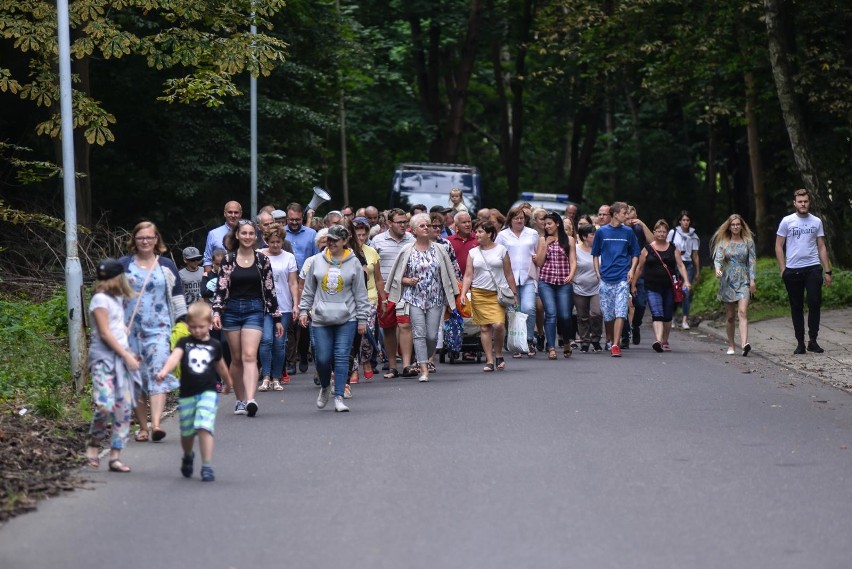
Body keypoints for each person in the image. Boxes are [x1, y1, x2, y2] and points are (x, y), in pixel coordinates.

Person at [120, 221, 187, 443]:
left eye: (150, 237)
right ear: (134, 240)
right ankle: (142, 427)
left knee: (159, 371)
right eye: (141, 238)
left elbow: (177, 296)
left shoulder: (166, 265)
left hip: (160, 329)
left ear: (157, 239)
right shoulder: (123, 265)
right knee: (137, 378)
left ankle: (156, 424)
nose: (146, 241)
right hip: (131, 331)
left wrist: (183, 323)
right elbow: (110, 297)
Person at [212, 220, 283, 417]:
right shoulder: (228, 259)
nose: (247, 237)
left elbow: (270, 290)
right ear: (237, 235)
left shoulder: (262, 260)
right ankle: (239, 400)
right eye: (244, 233)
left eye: (251, 233)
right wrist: (216, 311)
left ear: (255, 237)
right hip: (232, 310)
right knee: (236, 358)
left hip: (254, 308)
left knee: (250, 355)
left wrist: (277, 318)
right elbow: (221, 287)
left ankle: (251, 399)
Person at [156, 302, 233, 482]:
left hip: (208, 391)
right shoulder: (184, 342)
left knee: (204, 426)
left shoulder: (214, 345)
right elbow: (174, 357)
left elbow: (221, 367)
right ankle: (188, 455)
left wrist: (229, 383)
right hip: (187, 394)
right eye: (194, 327)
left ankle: (207, 465)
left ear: (209, 324)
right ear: (188, 326)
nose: (198, 330)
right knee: (187, 432)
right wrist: (164, 371)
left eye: (202, 326)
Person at [299, 225, 371, 412]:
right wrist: (303, 311)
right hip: (321, 318)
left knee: (341, 357)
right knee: (322, 359)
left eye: (335, 240)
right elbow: (308, 289)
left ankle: (339, 396)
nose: (331, 243)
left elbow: (360, 293)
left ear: (345, 241)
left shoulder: (354, 262)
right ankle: (325, 386)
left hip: (347, 318)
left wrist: (362, 319)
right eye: (329, 240)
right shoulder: (316, 260)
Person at [385, 214, 459, 382]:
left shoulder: (440, 249)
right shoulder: (407, 250)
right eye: (423, 226)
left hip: (435, 297)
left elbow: (448, 273)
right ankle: (423, 369)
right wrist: (407, 281)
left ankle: (424, 357)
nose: (427, 228)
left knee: (432, 336)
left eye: (428, 225)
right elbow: (398, 276)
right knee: (419, 333)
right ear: (415, 231)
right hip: (414, 297)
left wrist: (452, 295)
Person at [84, 259, 140, 474]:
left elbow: (115, 327)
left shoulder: (117, 298)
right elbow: (105, 333)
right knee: (105, 405)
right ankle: (93, 444)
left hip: (121, 356)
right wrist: (127, 355)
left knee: (124, 408)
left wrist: (124, 330)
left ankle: (115, 456)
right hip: (104, 359)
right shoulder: (99, 299)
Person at [775, 189, 833, 354]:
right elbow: (779, 245)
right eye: (800, 201)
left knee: (814, 302)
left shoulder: (816, 221)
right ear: (795, 203)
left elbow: (821, 246)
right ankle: (800, 342)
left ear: (809, 202)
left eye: (805, 201)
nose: (803, 204)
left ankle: (813, 340)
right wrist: (782, 268)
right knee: (796, 306)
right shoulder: (787, 221)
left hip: (813, 267)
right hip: (793, 270)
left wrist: (827, 270)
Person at [459, 220, 520, 372]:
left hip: (497, 294)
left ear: (490, 234)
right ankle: (490, 360)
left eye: (480, 231)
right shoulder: (473, 252)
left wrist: (514, 294)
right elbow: (468, 275)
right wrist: (463, 293)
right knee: (485, 328)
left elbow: (509, 274)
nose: (476, 234)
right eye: (476, 231)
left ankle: (498, 353)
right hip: (479, 293)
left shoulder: (501, 250)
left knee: (498, 325)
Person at [632, 220, 691, 352]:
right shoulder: (647, 249)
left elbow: (680, 266)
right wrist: (634, 284)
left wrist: (686, 280)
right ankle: (658, 341)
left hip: (669, 287)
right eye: (658, 231)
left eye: (664, 231)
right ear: (654, 232)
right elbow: (639, 268)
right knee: (657, 313)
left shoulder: (673, 248)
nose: (661, 234)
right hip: (652, 286)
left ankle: (665, 340)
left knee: (667, 316)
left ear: (667, 233)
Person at [591, 202, 639, 357]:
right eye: (624, 213)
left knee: (621, 311)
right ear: (616, 214)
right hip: (605, 278)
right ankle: (610, 338)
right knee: (608, 314)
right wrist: (597, 272)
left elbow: (635, 254)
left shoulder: (628, 232)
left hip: (622, 278)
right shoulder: (602, 232)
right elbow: (595, 254)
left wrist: (631, 270)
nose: (626, 216)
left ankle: (616, 345)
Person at [372, 208, 415, 378]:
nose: (404, 225)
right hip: (386, 290)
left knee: (405, 325)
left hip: (407, 289)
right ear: (389, 223)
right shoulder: (377, 241)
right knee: (388, 328)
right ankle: (392, 366)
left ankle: (406, 364)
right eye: (400, 222)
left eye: (405, 222)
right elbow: (373, 268)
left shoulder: (412, 240)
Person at [258, 226, 299, 391]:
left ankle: (276, 377)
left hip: (283, 304)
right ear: (266, 241)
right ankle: (266, 376)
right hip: (264, 304)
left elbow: (293, 282)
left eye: (278, 242)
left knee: (279, 342)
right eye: (272, 242)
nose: (275, 245)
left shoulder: (289, 257)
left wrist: (296, 304)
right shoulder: (259, 255)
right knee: (266, 340)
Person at [496, 205, 540, 357]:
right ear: (510, 220)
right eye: (516, 218)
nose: (519, 220)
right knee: (514, 310)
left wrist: (537, 258)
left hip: (528, 276)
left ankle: (528, 339)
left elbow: (538, 252)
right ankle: (516, 342)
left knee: (528, 308)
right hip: (510, 278)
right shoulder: (503, 235)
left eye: (522, 218)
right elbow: (498, 254)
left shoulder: (533, 233)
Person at [711, 214, 756, 356]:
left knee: (742, 312)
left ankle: (744, 344)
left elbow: (752, 262)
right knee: (730, 316)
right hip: (728, 281)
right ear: (729, 227)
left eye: (738, 224)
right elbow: (718, 259)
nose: (736, 227)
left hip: (744, 280)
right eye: (733, 225)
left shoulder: (748, 242)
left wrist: (753, 280)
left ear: (741, 226)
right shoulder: (724, 242)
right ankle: (731, 344)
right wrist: (718, 269)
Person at [535, 212, 577, 359]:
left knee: (565, 315)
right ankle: (551, 347)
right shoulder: (542, 240)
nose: (547, 226)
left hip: (564, 282)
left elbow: (572, 260)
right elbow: (539, 263)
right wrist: (546, 245)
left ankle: (566, 341)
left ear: (557, 224)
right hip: (546, 281)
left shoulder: (569, 240)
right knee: (551, 314)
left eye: (549, 223)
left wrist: (571, 274)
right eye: (545, 224)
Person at [284, 202, 318, 374]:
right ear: (287, 217)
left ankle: (303, 353)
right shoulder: (281, 233)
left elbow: (316, 258)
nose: (294, 222)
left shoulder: (312, 234)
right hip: (287, 281)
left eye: (297, 219)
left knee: (303, 321)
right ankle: (291, 360)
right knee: (290, 321)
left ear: (302, 218)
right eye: (291, 219)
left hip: (306, 282)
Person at [353, 216, 385, 383]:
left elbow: (378, 278)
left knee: (367, 332)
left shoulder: (371, 252)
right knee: (352, 334)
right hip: (351, 300)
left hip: (370, 298)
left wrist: (383, 300)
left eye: (364, 235)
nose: (361, 238)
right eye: (358, 234)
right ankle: (353, 368)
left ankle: (366, 361)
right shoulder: (347, 252)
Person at [667, 210, 701, 329]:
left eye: (688, 220)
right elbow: (667, 248)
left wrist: (697, 271)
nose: (685, 222)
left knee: (686, 291)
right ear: (680, 221)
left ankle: (685, 320)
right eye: (683, 220)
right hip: (675, 264)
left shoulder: (694, 236)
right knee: (674, 290)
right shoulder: (673, 233)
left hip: (688, 265)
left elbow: (695, 255)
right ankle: (672, 317)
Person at [574, 224, 603, 352]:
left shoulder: (600, 249)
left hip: (597, 286)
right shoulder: (575, 249)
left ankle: (596, 339)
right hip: (579, 286)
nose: (595, 237)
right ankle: (585, 341)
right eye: (593, 235)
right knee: (582, 316)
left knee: (596, 313)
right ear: (585, 237)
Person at [203, 201, 242, 271]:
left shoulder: (247, 234)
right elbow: (207, 260)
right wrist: (210, 279)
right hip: (219, 278)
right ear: (225, 213)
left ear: (240, 214)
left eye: (236, 212)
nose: (233, 215)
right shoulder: (213, 234)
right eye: (230, 212)